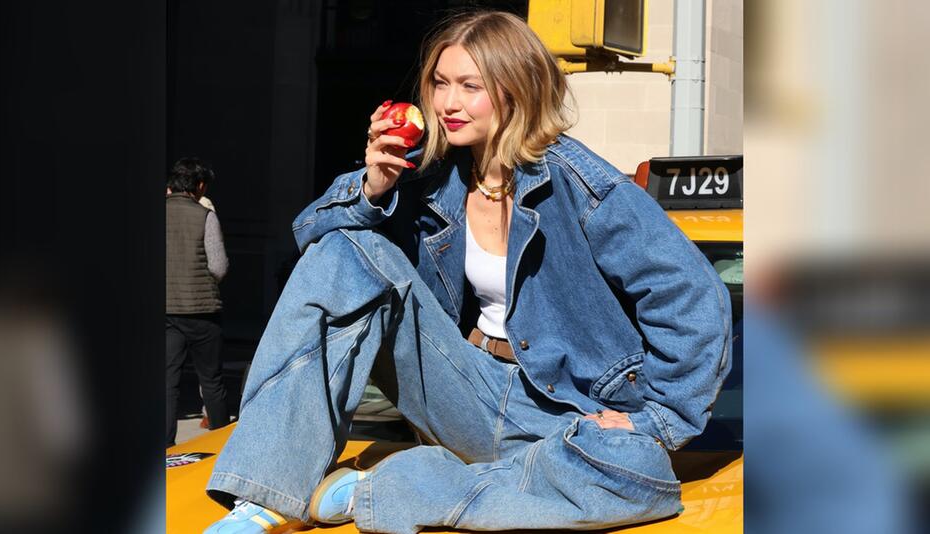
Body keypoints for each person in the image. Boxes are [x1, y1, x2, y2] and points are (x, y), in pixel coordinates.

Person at [204, 10, 731, 534]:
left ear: (514, 89)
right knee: (346, 251)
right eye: (439, 83)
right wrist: (374, 186)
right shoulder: (432, 177)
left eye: (469, 86)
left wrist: (658, 421)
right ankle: (266, 497)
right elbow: (315, 241)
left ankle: (385, 491)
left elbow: (692, 296)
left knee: (637, 471)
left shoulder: (582, 185)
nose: (448, 103)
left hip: (567, 423)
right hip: (465, 391)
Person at [166, 157, 231, 447]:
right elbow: (218, 267)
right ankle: (218, 447)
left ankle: (166, 448)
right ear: (200, 185)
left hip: (166, 311)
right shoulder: (205, 216)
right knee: (212, 382)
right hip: (203, 312)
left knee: (167, 383)